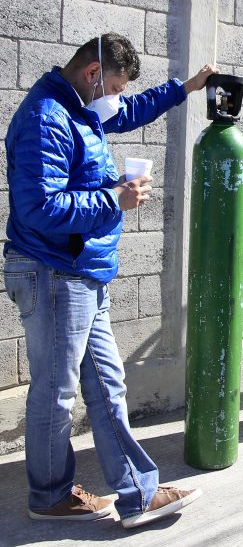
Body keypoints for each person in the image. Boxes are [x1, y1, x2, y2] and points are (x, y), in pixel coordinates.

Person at [3, 33, 214, 528]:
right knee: (56, 393)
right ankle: (51, 496)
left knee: (107, 386)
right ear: (93, 75)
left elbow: (130, 110)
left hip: (81, 274)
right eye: (115, 85)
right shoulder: (46, 118)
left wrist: (186, 88)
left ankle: (137, 494)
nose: (117, 99)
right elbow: (40, 207)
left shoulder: (82, 107)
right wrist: (113, 201)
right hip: (54, 273)